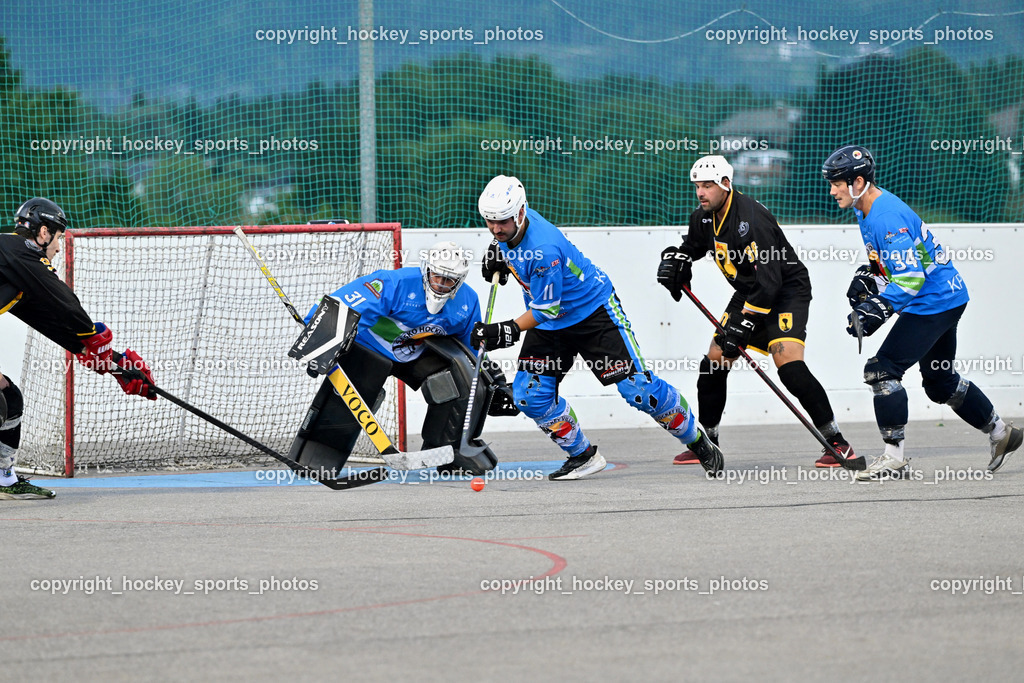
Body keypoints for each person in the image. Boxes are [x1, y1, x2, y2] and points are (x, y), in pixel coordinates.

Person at [472, 175, 723, 480]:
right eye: (490, 221)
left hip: (592, 312)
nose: (496, 228)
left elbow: (546, 308)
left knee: (639, 390)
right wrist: (500, 254)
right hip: (552, 323)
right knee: (530, 396)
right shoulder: (510, 227)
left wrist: (507, 329)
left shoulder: (544, 249)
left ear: (521, 213)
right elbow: (533, 285)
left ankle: (697, 440)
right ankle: (582, 456)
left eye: (502, 222)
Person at [822, 145, 1022, 480]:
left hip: (932, 301)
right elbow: (902, 263)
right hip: (945, 297)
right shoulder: (866, 207)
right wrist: (872, 278)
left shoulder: (885, 217)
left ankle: (893, 458)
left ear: (857, 182)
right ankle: (1002, 433)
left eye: (836, 184)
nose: (832, 191)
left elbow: (911, 277)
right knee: (940, 383)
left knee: (882, 371)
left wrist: (879, 307)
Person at [657, 155, 858, 468]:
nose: (701, 192)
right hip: (750, 291)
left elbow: (770, 280)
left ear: (726, 184)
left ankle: (837, 442)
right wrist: (679, 259)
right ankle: (708, 443)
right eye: (697, 186)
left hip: (785, 291)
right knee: (713, 363)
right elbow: (694, 245)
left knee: (788, 366)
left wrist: (745, 323)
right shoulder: (704, 216)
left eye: (708, 185)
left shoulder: (752, 219)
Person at [289, 241, 515, 476]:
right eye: (437, 276)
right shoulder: (393, 283)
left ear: (460, 281)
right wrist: (319, 343)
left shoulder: (467, 302)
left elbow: (470, 348)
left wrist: (492, 379)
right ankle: (317, 456)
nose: (440, 284)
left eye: (449, 280)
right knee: (350, 397)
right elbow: (340, 305)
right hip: (369, 348)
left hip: (416, 353)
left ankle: (450, 451)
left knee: (461, 380)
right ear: (426, 269)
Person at [0, 198, 155, 499]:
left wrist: (114, 364)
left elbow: (49, 320)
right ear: (43, 232)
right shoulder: (18, 249)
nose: (58, 248)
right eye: (58, 237)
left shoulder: (13, 267)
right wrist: (94, 337)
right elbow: (63, 300)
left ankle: (4, 479)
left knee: (8, 398)